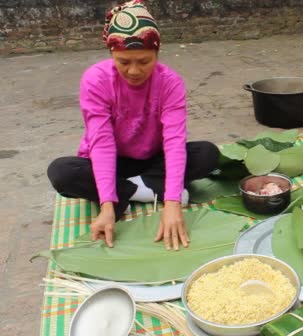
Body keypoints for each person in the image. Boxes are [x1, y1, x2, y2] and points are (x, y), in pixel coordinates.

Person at [47, 0, 219, 251]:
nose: (134, 71)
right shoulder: (96, 80)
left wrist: (172, 204)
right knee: (62, 172)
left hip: (152, 158)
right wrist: (106, 205)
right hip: (113, 160)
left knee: (208, 154)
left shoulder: (170, 82)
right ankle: (142, 191)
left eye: (144, 61)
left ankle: (130, 192)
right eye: (124, 62)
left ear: (157, 54)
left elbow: (173, 141)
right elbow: (102, 143)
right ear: (111, 55)